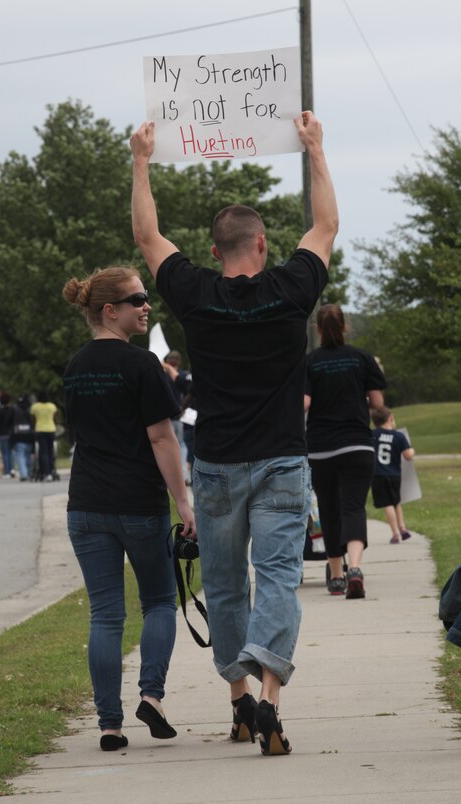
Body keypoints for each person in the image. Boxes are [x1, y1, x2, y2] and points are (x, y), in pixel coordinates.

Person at [130, 111, 338, 756]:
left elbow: (147, 235)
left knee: (224, 585)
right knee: (277, 578)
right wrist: (314, 150)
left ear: (215, 250)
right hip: (281, 460)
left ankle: (239, 701)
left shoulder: (193, 294)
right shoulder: (292, 288)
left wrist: (141, 159)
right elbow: (326, 225)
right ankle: (272, 703)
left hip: (217, 462)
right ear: (264, 244)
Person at [62, 265, 196, 753]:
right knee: (159, 602)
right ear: (109, 310)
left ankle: (109, 726)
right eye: (137, 299)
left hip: (86, 506)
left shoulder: (75, 366)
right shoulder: (143, 366)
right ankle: (152, 696)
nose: (147, 306)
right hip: (139, 504)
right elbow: (162, 437)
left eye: (146, 298)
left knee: (105, 616)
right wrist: (184, 502)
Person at [304, 304, 386, 599]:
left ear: (319, 330)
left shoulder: (310, 361)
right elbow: (377, 403)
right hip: (357, 444)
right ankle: (355, 569)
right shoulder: (362, 358)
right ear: (344, 328)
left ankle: (336, 576)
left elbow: (303, 403)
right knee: (353, 506)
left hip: (321, 449)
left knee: (328, 508)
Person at [370, 406, 415, 543]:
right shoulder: (399, 436)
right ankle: (402, 529)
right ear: (390, 418)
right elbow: (408, 456)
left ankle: (395, 534)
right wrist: (412, 450)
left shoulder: (372, 434)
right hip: (395, 474)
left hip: (378, 474)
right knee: (396, 501)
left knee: (387, 503)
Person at [162, 349, 191, 482]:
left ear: (167, 361)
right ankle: (183, 474)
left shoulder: (162, 376)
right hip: (178, 417)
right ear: (179, 362)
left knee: (165, 446)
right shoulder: (183, 375)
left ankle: (168, 476)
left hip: (164, 418)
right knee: (181, 445)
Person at [30, 390, 57, 482]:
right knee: (51, 451)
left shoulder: (35, 407)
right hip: (51, 429)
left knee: (43, 452)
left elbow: (33, 419)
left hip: (40, 429)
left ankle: (46, 472)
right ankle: (51, 469)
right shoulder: (52, 406)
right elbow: (54, 418)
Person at [11, 394, 36, 481]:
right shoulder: (31, 409)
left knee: (20, 456)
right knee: (28, 455)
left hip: (18, 436)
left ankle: (23, 474)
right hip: (29, 436)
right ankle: (29, 473)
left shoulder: (15, 409)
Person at [0, 392, 16, 478]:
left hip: (2, 434)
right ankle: (12, 469)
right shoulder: (13, 410)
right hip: (12, 434)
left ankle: (7, 471)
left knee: (5, 454)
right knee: (12, 452)